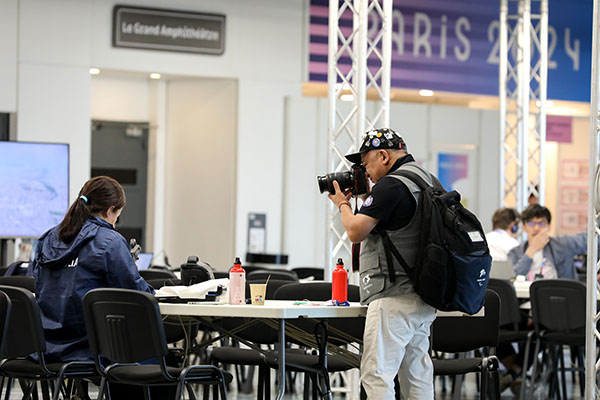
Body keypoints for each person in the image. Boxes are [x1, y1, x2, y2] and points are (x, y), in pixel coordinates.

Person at [327, 128, 437, 399]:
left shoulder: (392, 185)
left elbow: (355, 231)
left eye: (367, 164)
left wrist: (342, 204)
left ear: (384, 156)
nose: (366, 173)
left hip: (393, 296)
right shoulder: (426, 179)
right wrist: (367, 198)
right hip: (423, 295)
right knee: (416, 374)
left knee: (377, 374)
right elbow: (399, 223)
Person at [28, 176, 154, 398]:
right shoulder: (110, 241)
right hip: (89, 348)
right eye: (117, 216)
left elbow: (37, 285)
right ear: (109, 211)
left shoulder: (47, 239)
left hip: (46, 347)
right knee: (154, 357)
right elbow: (138, 296)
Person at [508, 204, 587, 280]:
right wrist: (532, 249)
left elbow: (589, 240)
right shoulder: (515, 252)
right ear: (524, 227)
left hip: (558, 289)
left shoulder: (563, 244)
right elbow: (512, 278)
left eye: (541, 223)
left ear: (549, 226)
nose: (536, 228)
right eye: (531, 223)